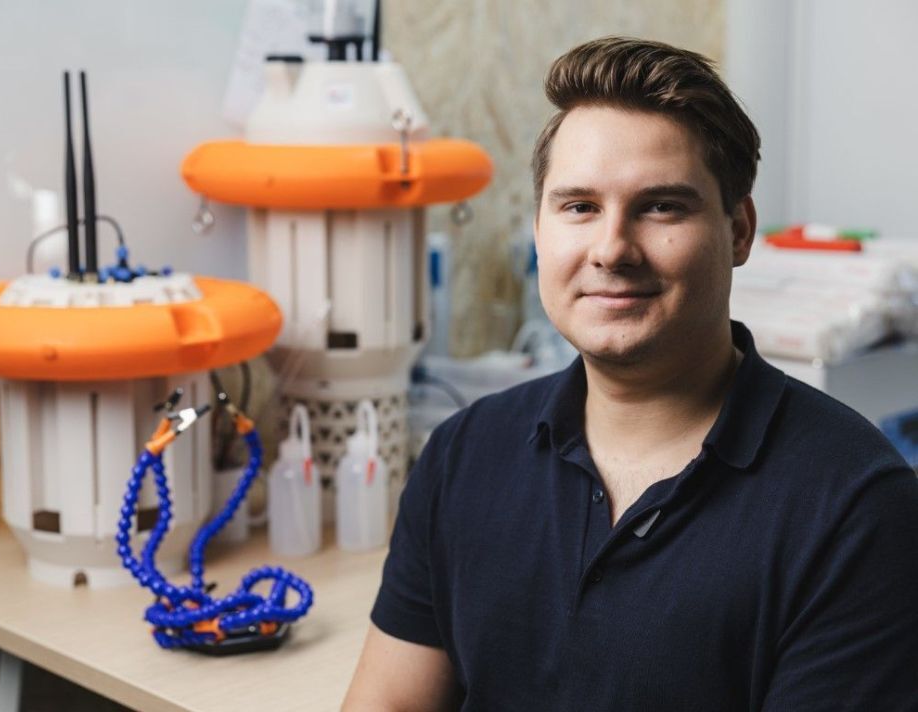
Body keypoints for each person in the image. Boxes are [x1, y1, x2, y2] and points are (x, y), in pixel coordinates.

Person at [342, 37, 918, 711]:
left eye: (661, 206)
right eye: (579, 207)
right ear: (540, 229)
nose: (612, 249)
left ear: (738, 230)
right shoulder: (462, 456)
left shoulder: (856, 507)